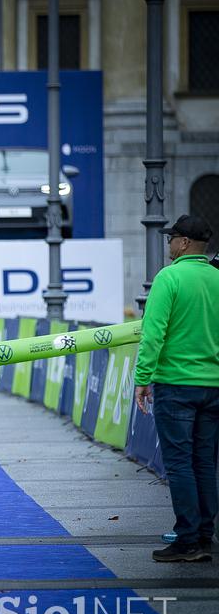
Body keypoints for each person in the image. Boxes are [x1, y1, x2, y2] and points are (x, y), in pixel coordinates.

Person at [134, 214, 219, 563]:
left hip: (175, 385)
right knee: (205, 463)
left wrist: (142, 379)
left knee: (181, 464)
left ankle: (187, 540)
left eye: (171, 238)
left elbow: (153, 334)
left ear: (183, 243)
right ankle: (204, 534)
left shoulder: (169, 278)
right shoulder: (216, 278)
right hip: (213, 386)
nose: (168, 243)